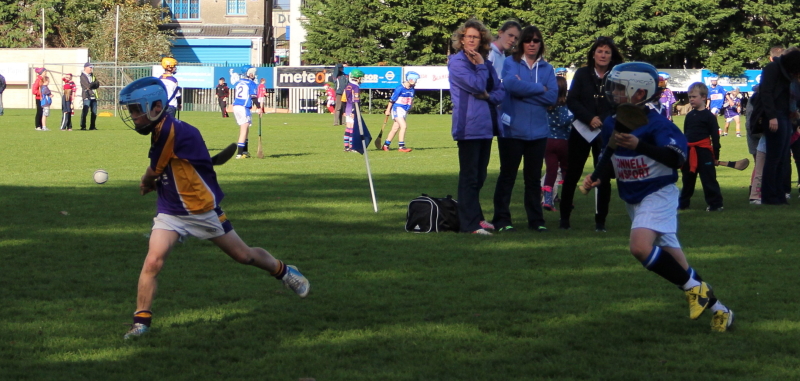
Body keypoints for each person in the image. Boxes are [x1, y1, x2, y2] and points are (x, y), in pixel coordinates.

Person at [117, 77, 309, 339]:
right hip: (171, 210)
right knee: (152, 261)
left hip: (201, 209)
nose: (134, 116)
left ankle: (285, 271)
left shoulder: (171, 131)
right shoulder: (162, 129)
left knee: (244, 256)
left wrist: (146, 182)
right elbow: (171, 168)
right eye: (132, 111)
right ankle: (141, 323)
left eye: (136, 110)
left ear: (157, 107)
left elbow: (154, 170)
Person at [583, 62, 734, 332]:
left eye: (619, 88)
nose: (613, 92)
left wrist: (641, 145)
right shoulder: (612, 122)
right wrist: (597, 175)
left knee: (639, 247)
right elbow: (609, 153)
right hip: (634, 198)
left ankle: (696, 292)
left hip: (659, 193)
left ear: (639, 93)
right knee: (679, 267)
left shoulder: (656, 124)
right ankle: (721, 309)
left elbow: (676, 158)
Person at [491, 25, 558, 233]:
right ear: (521, 43)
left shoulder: (547, 69)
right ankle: (501, 220)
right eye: (528, 40)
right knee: (507, 176)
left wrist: (524, 92)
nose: (531, 44)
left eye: (536, 40)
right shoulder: (510, 63)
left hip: (538, 132)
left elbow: (552, 97)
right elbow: (511, 86)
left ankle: (536, 220)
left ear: (540, 44)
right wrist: (540, 89)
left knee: (532, 178)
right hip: (512, 131)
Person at [448, 18, 505, 235]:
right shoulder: (457, 62)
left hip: (487, 126)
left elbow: (500, 91)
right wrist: (480, 67)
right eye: (468, 36)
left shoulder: (486, 63)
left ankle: (476, 217)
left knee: (480, 176)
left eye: (476, 37)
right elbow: (476, 85)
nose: (472, 40)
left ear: (482, 40)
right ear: (461, 40)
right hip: (468, 126)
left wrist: (488, 96)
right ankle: (469, 224)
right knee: (469, 176)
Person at [561, 36, 623, 231]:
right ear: (593, 54)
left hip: (604, 131)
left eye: (607, 52)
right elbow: (572, 100)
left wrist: (602, 120)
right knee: (572, 174)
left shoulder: (616, 76)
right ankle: (564, 219)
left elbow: (618, 102)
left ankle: (600, 221)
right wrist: (589, 118)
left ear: (611, 55)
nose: (603, 55)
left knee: (602, 175)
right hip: (581, 129)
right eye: (600, 51)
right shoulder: (581, 73)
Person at [759, 49, 800, 205]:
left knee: (782, 158)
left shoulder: (784, 72)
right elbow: (766, 92)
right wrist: (772, 116)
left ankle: (779, 195)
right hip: (776, 116)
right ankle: (770, 196)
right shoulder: (773, 68)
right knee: (774, 159)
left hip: (785, 116)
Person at [678, 82, 724, 211]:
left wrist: (715, 155)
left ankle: (715, 204)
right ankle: (683, 203)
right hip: (689, 151)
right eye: (690, 96)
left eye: (694, 96)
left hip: (704, 152)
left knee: (708, 179)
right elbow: (686, 133)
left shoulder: (709, 116)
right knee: (687, 179)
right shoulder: (689, 115)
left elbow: (715, 137)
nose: (691, 99)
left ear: (703, 97)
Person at [543, 76, 573, 212]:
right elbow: (563, 121)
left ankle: (548, 200)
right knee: (566, 170)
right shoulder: (563, 106)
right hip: (563, 141)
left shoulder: (546, 105)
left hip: (548, 141)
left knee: (551, 171)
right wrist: (575, 116)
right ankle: (567, 199)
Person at [382, 71, 419, 152]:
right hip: (397, 109)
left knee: (395, 128)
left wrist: (410, 106)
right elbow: (392, 100)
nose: (416, 82)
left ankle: (386, 145)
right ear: (410, 79)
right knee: (404, 126)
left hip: (404, 110)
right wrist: (388, 110)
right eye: (415, 80)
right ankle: (401, 147)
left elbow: (411, 99)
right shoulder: (400, 88)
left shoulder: (412, 89)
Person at [232, 65, 258, 159]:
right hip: (243, 107)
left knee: (246, 129)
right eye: (252, 72)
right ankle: (239, 154)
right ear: (248, 73)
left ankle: (245, 152)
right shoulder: (251, 83)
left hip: (236, 106)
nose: (254, 74)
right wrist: (259, 108)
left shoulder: (239, 82)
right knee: (243, 130)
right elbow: (254, 97)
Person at [342, 69, 365, 151]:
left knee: (348, 128)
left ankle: (346, 147)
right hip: (353, 109)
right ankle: (352, 147)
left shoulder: (348, 86)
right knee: (352, 129)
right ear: (357, 78)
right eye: (361, 78)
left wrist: (344, 111)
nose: (361, 80)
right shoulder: (356, 87)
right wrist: (354, 111)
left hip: (347, 108)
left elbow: (343, 100)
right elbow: (356, 101)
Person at [80, 62, 100, 130]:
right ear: (85, 68)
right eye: (90, 67)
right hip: (86, 96)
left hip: (93, 96)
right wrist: (93, 84)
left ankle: (92, 126)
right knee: (85, 112)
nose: (91, 69)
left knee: (94, 112)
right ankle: (83, 126)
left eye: (92, 67)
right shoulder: (82, 76)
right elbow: (87, 86)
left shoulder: (92, 76)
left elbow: (97, 84)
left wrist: (93, 84)